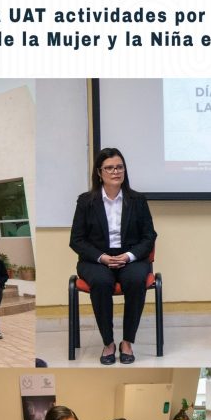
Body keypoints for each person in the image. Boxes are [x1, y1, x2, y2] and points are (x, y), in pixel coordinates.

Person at [69, 147, 158, 365]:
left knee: (136, 280)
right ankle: (108, 342)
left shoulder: (137, 200)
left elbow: (149, 236)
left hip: (131, 258)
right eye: (109, 168)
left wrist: (128, 256)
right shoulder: (86, 201)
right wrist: (102, 258)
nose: (115, 172)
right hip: (96, 260)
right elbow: (77, 240)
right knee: (100, 282)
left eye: (119, 167)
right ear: (99, 173)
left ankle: (127, 341)